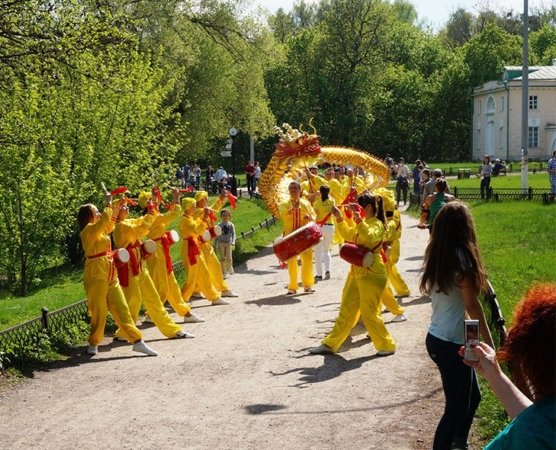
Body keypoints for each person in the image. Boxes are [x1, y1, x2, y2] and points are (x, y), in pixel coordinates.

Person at [420, 202, 494, 450]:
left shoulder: (437, 253)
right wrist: (491, 343)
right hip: (451, 344)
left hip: (439, 338)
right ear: (465, 228)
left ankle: (458, 444)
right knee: (455, 408)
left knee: (472, 399)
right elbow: (472, 306)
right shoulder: (462, 258)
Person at [461, 283, 555, 450]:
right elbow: (538, 418)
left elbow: (535, 425)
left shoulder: (530, 433)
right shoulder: (542, 421)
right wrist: (493, 373)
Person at [309, 193, 397, 356]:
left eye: (360, 207)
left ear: (368, 207)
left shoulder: (377, 224)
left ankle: (386, 344)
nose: (358, 210)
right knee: (346, 309)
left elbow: (369, 236)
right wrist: (339, 217)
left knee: (369, 312)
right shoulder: (364, 222)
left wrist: (357, 219)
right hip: (358, 271)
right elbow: (349, 235)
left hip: (372, 272)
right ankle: (330, 344)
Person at [77, 194, 158, 356]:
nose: (99, 213)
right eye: (96, 211)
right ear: (88, 216)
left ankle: (137, 340)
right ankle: (94, 342)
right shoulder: (88, 231)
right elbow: (104, 221)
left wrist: (117, 206)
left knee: (122, 309)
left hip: (109, 272)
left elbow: (110, 223)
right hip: (95, 274)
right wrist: (108, 203)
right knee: (99, 310)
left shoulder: (99, 231)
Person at [113, 198, 192, 340]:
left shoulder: (127, 222)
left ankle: (173, 330)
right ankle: (124, 332)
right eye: (123, 207)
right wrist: (151, 212)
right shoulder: (120, 227)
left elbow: (141, 220)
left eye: (126, 206)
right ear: (116, 211)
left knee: (154, 299)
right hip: (129, 269)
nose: (127, 208)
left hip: (140, 266)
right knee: (134, 302)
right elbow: (142, 228)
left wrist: (153, 208)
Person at [144, 188, 204, 324]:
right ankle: (152, 314)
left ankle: (186, 313)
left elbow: (169, 215)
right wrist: (176, 199)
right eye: (154, 201)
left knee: (172, 285)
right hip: (157, 254)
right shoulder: (153, 218)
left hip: (161, 252)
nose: (157, 203)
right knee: (162, 287)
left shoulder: (155, 217)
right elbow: (175, 213)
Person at [179, 197, 227, 305]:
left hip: (194, 246)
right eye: (193, 206)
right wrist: (205, 217)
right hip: (191, 248)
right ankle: (213, 297)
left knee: (196, 275)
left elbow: (197, 225)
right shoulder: (185, 221)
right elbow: (198, 230)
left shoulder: (189, 218)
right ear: (188, 208)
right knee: (200, 274)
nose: (195, 208)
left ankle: (182, 298)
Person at [278, 181, 317, 295]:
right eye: (291, 188)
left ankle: (308, 285)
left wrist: (310, 217)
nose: (293, 190)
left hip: (304, 236)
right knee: (292, 262)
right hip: (290, 237)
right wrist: (292, 209)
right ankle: (293, 286)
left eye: (295, 188)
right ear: (288, 191)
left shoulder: (306, 203)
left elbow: (314, 216)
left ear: (300, 191)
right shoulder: (284, 204)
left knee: (308, 260)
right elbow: (282, 215)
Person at [312, 185, 335, 281]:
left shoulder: (316, 203)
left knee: (318, 252)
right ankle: (328, 270)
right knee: (326, 250)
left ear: (320, 192)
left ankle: (319, 274)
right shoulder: (332, 201)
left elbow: (314, 215)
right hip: (330, 226)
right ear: (328, 192)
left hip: (319, 227)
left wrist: (315, 197)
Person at [215, 208, 236, 277]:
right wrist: (216, 244)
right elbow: (216, 235)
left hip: (228, 243)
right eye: (223, 215)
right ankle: (223, 272)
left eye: (226, 215)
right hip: (221, 243)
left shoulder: (231, 225)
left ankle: (230, 267)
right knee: (222, 258)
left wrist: (233, 242)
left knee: (229, 257)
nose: (225, 217)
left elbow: (233, 234)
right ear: (221, 216)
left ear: (229, 216)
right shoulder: (218, 225)